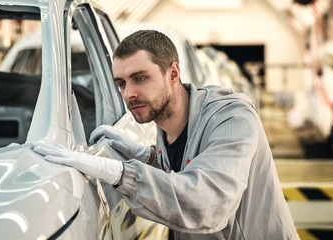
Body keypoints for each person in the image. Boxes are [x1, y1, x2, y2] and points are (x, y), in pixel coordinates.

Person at [33, 30, 299, 239]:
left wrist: (119, 172)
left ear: (173, 73)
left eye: (140, 78)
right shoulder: (167, 126)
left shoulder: (232, 118)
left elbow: (209, 203)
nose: (128, 94)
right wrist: (149, 156)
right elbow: (186, 163)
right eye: (121, 83)